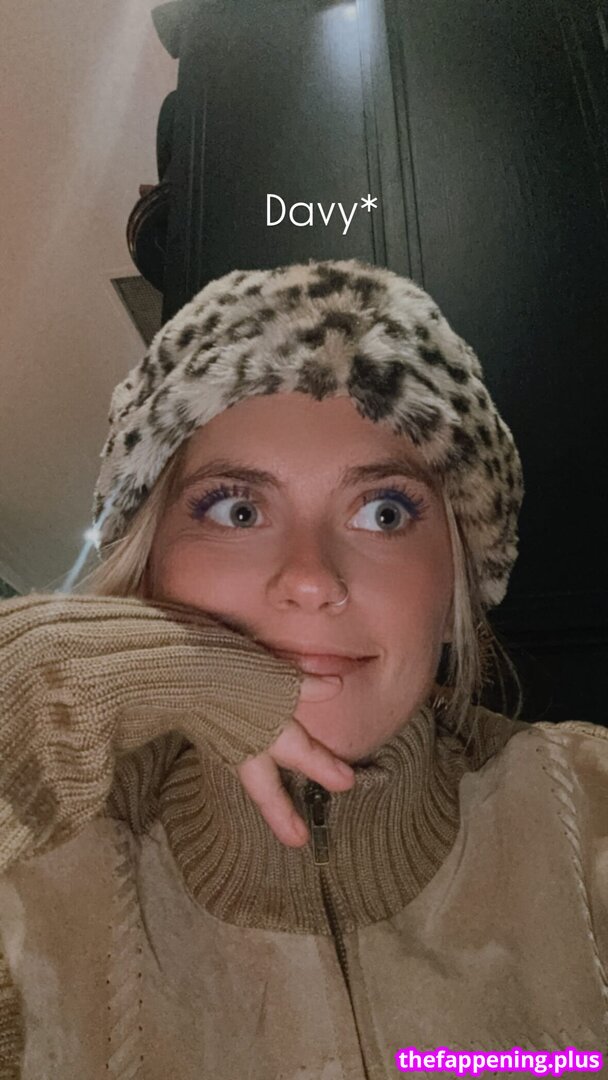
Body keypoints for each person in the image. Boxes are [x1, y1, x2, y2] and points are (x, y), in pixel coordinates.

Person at [0, 258, 606, 1079]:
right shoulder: (36, 877)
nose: (312, 578)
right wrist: (40, 678)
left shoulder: (587, 807)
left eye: (383, 511)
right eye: (238, 509)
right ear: (148, 569)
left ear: (457, 583)